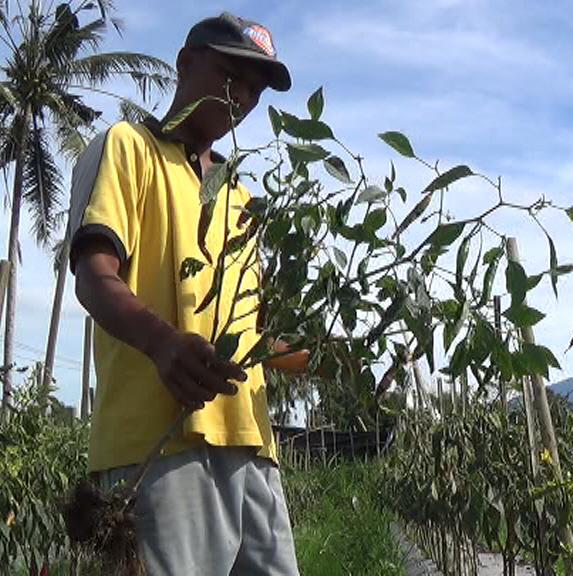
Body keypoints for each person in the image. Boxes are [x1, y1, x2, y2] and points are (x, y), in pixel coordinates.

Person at [68, 12, 301, 575]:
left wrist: (330, 355)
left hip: (252, 447)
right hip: (161, 448)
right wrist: (164, 343)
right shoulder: (129, 149)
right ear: (185, 63)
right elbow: (95, 276)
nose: (242, 96)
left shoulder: (240, 197)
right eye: (231, 75)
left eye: (254, 88)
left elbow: (257, 334)